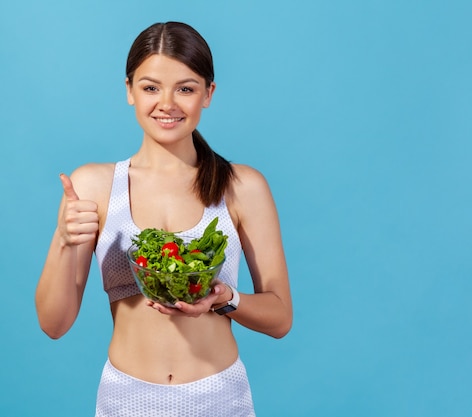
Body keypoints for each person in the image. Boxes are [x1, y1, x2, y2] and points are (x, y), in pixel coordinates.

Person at [35, 21, 292, 416]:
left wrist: (226, 299)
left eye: (185, 89)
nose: (167, 104)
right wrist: (63, 239)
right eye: (150, 87)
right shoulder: (94, 186)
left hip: (220, 398)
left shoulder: (242, 186)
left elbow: (280, 318)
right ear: (129, 91)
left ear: (208, 94)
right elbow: (54, 325)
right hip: (126, 399)